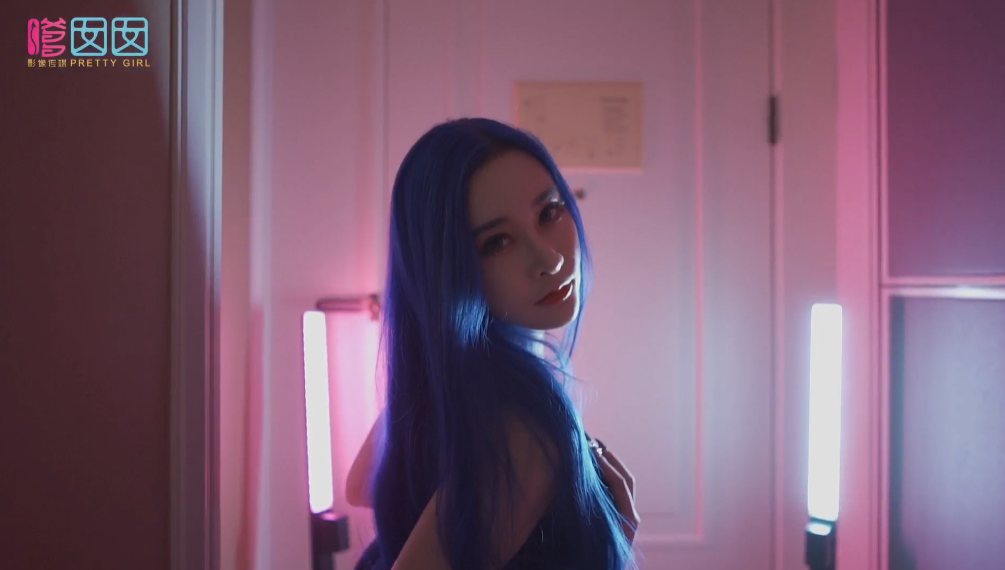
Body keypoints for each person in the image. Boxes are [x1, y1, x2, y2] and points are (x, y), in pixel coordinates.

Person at [347, 117, 640, 570]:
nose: (550, 259)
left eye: (549, 213)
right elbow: (361, 484)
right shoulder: (525, 430)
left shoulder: (451, 387)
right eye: (498, 242)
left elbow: (364, 482)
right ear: (448, 270)